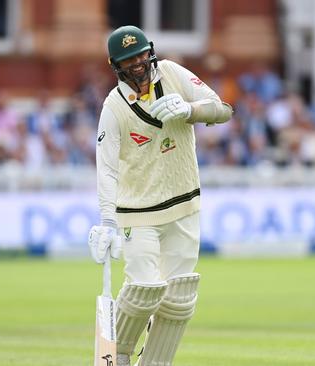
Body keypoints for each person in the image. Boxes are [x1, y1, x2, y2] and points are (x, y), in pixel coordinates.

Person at [87, 25, 233, 366]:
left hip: (184, 203)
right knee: (144, 290)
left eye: (140, 55)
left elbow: (223, 108)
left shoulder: (171, 72)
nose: (138, 64)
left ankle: (154, 362)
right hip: (137, 213)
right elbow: (106, 168)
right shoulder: (114, 106)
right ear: (116, 65)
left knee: (179, 297)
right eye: (129, 60)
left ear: (149, 50)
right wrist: (107, 222)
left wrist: (189, 110)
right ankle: (116, 357)